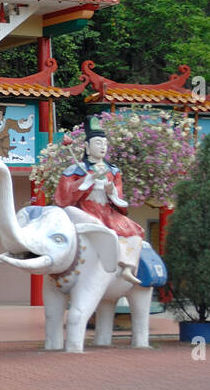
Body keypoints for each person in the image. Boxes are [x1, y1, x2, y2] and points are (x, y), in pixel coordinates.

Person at [54, 120, 145, 285]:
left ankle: (127, 268)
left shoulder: (113, 171)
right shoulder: (76, 170)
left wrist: (112, 192)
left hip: (108, 213)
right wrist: (87, 181)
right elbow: (63, 198)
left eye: (105, 143)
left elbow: (119, 198)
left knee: (136, 232)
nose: (103, 147)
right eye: (98, 143)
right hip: (87, 211)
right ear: (87, 147)